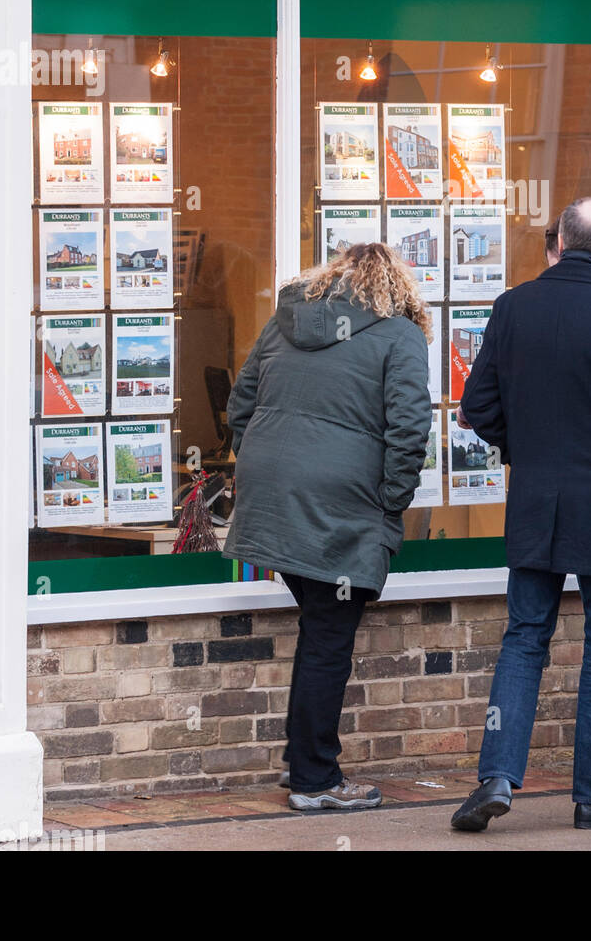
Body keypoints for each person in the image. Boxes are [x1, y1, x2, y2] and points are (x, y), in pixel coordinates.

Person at [450, 198, 591, 832]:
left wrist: (525, 451)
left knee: (524, 639)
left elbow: (479, 405)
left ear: (559, 243)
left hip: (535, 502)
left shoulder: (511, 307)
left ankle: (496, 776)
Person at [224, 243, 432, 812]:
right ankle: (316, 780)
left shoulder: (283, 322)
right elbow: (410, 428)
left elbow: (240, 405)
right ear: (396, 287)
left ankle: (304, 767)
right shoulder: (400, 334)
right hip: (343, 503)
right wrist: (390, 503)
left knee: (321, 631)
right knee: (328, 640)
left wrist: (264, 464)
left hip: (277, 494)